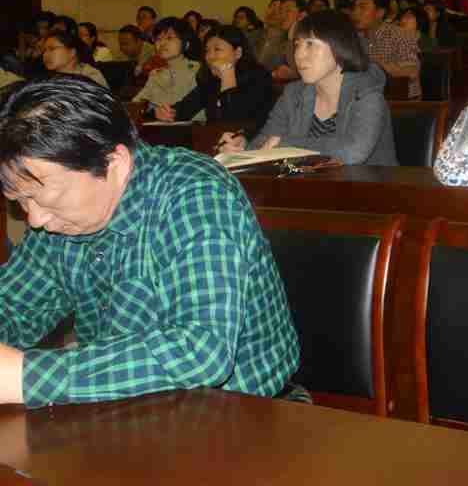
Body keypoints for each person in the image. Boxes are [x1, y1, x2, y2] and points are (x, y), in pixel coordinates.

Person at [0, 75, 299, 407]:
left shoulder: (196, 194)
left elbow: (201, 350)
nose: (34, 219)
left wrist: (26, 377)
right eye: (20, 201)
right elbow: (13, 304)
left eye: (45, 198)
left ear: (114, 163)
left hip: (244, 410)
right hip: (123, 409)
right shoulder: (58, 218)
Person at [218, 11, 398, 166]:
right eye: (297, 45)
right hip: (312, 188)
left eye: (310, 44)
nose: (299, 55)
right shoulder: (293, 94)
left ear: (340, 46)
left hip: (371, 190)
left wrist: (286, 145)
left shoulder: (366, 92)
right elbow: (267, 143)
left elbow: (353, 152)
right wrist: (243, 148)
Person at [155, 25, 274, 131]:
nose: (210, 56)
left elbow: (234, 124)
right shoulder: (211, 81)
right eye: (207, 50)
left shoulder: (258, 77)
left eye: (217, 49)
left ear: (238, 53)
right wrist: (166, 113)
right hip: (214, 140)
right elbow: (184, 109)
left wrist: (228, 78)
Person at [351, 0, 421, 98]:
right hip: (365, 99)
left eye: (362, 7)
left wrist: (379, 64)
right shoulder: (353, 38)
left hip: (403, 101)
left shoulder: (400, 35)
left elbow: (412, 72)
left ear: (380, 12)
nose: (356, 13)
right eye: (354, 8)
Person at [133, 17, 203, 115]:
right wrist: (153, 112)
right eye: (158, 39)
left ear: (186, 44)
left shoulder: (198, 71)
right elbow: (136, 104)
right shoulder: (156, 75)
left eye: (169, 38)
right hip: (159, 124)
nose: (162, 43)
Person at [40, 32, 108, 88]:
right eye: (44, 50)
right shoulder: (46, 78)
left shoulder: (91, 77)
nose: (45, 54)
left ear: (72, 52)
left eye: (52, 49)